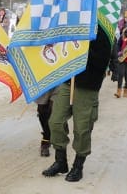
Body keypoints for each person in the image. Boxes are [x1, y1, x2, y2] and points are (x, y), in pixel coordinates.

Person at [42, 24, 112, 182]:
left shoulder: (100, 32)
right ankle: (61, 162)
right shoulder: (71, 25)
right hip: (68, 82)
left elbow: (102, 61)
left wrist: (83, 49)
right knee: (55, 122)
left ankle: (78, 165)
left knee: (82, 128)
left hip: (87, 86)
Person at [35, 89, 55, 157]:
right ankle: (48, 134)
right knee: (42, 111)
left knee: (52, 108)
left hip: (59, 83)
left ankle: (45, 141)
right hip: (42, 84)